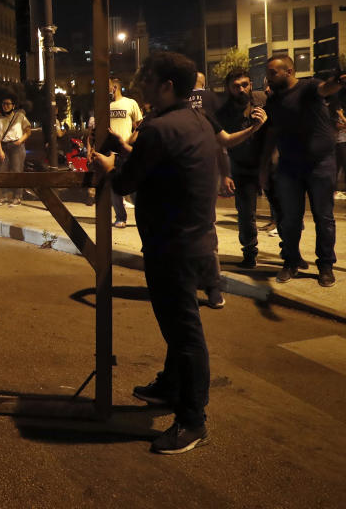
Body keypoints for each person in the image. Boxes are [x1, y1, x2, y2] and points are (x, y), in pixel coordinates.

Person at [91, 51, 218, 455]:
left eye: (147, 80)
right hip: (196, 240)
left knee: (183, 332)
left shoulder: (159, 128)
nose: (140, 86)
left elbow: (126, 183)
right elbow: (163, 167)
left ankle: (193, 420)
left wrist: (106, 166)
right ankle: (170, 385)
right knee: (179, 325)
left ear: (166, 86)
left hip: (172, 245)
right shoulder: (196, 120)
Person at [262, 55, 343, 288]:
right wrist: (264, 168)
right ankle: (290, 261)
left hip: (320, 164)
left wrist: (339, 80)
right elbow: (272, 134)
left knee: (324, 218)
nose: (268, 77)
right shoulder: (274, 101)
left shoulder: (308, 87)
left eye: (272, 73)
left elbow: (326, 88)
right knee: (289, 219)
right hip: (289, 166)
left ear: (289, 71)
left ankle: (325, 265)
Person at [216, 70, 268, 268]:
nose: (241, 89)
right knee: (246, 214)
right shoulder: (224, 112)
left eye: (245, 84)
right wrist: (225, 174)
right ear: (228, 88)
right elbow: (221, 144)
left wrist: (266, 119)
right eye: (236, 86)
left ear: (251, 84)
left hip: (269, 165)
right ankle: (249, 253)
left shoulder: (263, 100)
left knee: (283, 213)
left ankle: (290, 254)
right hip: (242, 168)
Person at [107, 78, 143, 227]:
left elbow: (140, 125)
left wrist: (130, 140)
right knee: (114, 186)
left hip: (126, 150)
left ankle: (143, 216)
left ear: (115, 88)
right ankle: (120, 217)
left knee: (133, 185)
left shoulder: (130, 103)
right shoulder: (107, 106)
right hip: (112, 152)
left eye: (108, 87)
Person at [0, 94, 31, 205]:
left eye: (8, 104)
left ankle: (17, 196)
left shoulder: (19, 116)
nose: (5, 106)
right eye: (4, 104)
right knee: (2, 172)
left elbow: (28, 131)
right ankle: (4, 196)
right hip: (4, 146)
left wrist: (20, 140)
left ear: (13, 106)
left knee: (17, 172)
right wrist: (0, 150)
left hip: (16, 146)